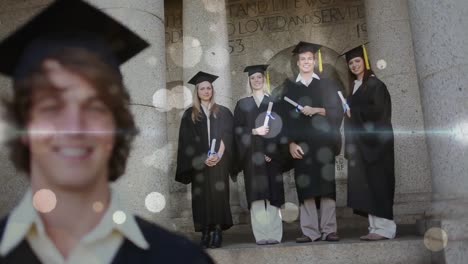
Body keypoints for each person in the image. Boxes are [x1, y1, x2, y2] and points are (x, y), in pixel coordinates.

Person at [0, 0, 214, 263]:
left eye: (94, 107)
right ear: (23, 127)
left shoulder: (183, 260)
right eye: (52, 106)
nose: (74, 126)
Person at [273, 41, 342, 243]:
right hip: (301, 145)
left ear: (314, 61)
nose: (306, 62)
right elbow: (283, 121)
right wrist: (290, 144)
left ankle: (329, 229)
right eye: (302, 59)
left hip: (323, 143)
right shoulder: (290, 89)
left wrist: (317, 110)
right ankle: (310, 231)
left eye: (309, 58)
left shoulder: (326, 84)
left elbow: (337, 111)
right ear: (298, 62)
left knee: (327, 185)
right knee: (306, 186)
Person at [341, 44, 396, 241]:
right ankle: (375, 228)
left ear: (365, 61)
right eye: (350, 63)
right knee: (368, 187)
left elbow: (379, 113)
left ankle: (385, 229)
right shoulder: (356, 87)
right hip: (361, 147)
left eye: (357, 61)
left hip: (376, 146)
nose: (354, 65)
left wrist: (353, 113)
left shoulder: (375, 85)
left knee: (379, 184)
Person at [175, 71, 234, 249]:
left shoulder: (223, 111)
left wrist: (218, 155)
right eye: (202, 88)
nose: (206, 91)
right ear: (197, 91)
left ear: (212, 90)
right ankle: (206, 231)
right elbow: (187, 142)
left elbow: (228, 135)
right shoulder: (190, 114)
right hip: (199, 163)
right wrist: (203, 158)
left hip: (219, 162)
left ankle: (217, 231)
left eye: (209, 88)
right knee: (201, 197)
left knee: (218, 196)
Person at [233, 65, 284, 245]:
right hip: (251, 156)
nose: (256, 80)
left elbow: (280, 132)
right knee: (256, 197)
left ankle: (275, 234)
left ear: (264, 80)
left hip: (271, 157)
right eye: (253, 78)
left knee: (272, 195)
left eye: (259, 77)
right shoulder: (243, 104)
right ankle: (261, 235)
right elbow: (237, 131)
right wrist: (254, 130)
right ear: (249, 80)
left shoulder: (273, 103)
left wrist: (271, 154)